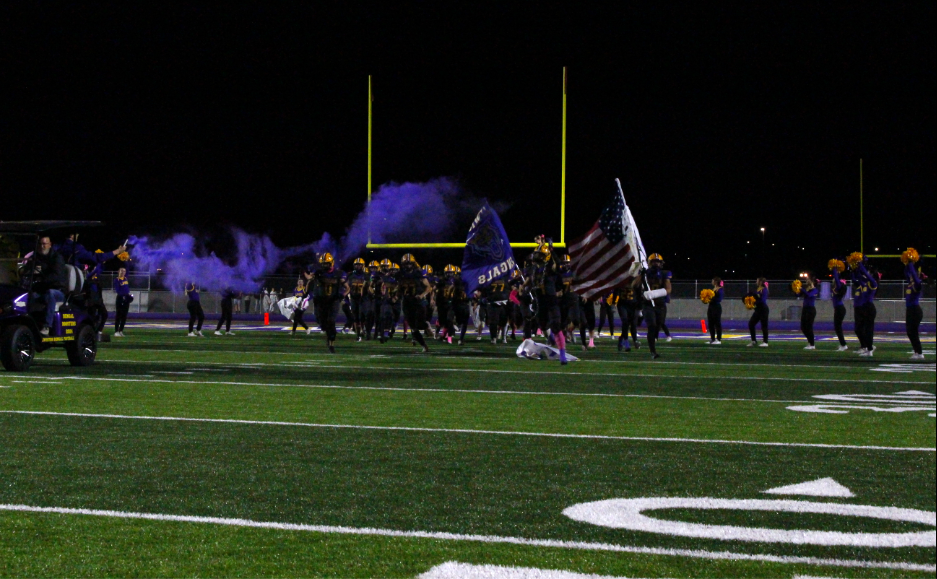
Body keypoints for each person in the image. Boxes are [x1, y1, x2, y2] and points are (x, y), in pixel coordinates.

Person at [25, 236, 67, 336]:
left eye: (44, 244)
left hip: (58, 291)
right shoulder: (35, 258)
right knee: (27, 295)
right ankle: (27, 324)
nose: (42, 246)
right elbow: (27, 271)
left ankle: (46, 326)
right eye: (40, 244)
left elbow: (56, 276)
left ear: (50, 244)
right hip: (41, 290)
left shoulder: (57, 258)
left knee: (50, 293)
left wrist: (41, 279)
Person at [634, 253, 672, 359]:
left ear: (661, 263)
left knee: (659, 324)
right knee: (652, 325)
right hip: (647, 304)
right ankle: (653, 351)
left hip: (660, 303)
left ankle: (653, 338)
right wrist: (639, 275)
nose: (656, 263)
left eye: (658, 261)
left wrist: (653, 294)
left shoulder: (664, 274)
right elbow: (635, 285)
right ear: (649, 263)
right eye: (654, 261)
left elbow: (668, 289)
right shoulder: (644, 273)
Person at [313, 252, 349, 353]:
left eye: (327, 263)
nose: (325, 266)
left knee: (331, 322)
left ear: (331, 263)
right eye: (323, 264)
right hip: (321, 301)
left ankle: (331, 343)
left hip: (333, 301)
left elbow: (347, 288)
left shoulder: (338, 274)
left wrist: (342, 295)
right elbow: (309, 279)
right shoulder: (319, 273)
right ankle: (328, 337)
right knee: (323, 323)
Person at [398, 254, 431, 353]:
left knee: (419, 323)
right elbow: (399, 287)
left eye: (409, 263)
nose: (408, 265)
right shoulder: (401, 274)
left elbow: (429, 287)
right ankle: (424, 345)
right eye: (406, 263)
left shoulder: (419, 273)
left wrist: (422, 295)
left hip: (418, 301)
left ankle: (426, 325)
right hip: (407, 301)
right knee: (413, 327)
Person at [851, 258, 878, 357]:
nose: (868, 273)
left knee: (868, 330)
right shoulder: (865, 284)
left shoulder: (873, 283)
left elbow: (866, 275)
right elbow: (858, 276)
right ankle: (868, 348)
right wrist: (854, 268)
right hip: (865, 308)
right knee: (864, 329)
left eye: (870, 273)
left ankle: (870, 350)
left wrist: (861, 264)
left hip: (869, 308)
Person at [904, 256, 925, 360]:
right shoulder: (910, 283)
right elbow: (907, 272)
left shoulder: (917, 284)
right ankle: (917, 352)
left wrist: (912, 262)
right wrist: (907, 263)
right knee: (909, 332)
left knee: (913, 331)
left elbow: (912, 272)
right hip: (910, 310)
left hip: (915, 310)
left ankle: (919, 353)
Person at [793, 277, 818, 349]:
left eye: (808, 280)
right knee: (803, 327)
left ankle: (812, 344)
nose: (806, 281)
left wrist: (801, 289)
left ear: (812, 282)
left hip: (811, 310)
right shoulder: (806, 289)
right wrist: (795, 290)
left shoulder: (815, 290)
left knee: (809, 327)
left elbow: (809, 295)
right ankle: (810, 341)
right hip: (805, 309)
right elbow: (798, 295)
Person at [347, 257, 368, 341]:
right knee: (356, 317)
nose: (358, 267)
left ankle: (364, 330)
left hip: (363, 299)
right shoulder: (350, 275)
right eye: (356, 265)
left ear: (363, 266)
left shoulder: (366, 275)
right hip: (353, 298)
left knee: (362, 316)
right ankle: (358, 334)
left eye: (360, 265)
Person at [746, 277, 770, 347]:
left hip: (763, 309)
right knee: (751, 324)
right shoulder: (758, 289)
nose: (756, 282)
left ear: (760, 282)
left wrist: (754, 300)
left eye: (757, 281)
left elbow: (762, 300)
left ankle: (765, 342)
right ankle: (754, 341)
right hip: (758, 309)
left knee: (764, 326)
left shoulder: (764, 289)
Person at [830, 261, 849, 351]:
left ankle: (843, 345)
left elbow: (837, 279)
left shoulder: (839, 286)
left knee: (837, 327)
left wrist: (835, 268)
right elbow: (836, 279)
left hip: (840, 309)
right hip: (838, 309)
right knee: (837, 327)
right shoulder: (839, 286)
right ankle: (843, 344)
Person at [616, 285, 640, 352]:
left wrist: (640, 306)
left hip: (633, 305)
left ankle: (623, 339)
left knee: (633, 324)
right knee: (625, 322)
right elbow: (616, 290)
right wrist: (613, 302)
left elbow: (639, 294)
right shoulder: (622, 279)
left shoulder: (636, 281)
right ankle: (626, 342)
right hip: (622, 304)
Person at [113, 266, 132, 337]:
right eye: (122, 271)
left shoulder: (125, 278)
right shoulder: (117, 280)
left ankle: (121, 330)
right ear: (119, 272)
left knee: (124, 315)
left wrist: (127, 261)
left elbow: (128, 269)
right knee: (119, 315)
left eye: (124, 271)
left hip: (126, 297)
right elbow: (117, 290)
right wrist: (123, 295)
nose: (124, 272)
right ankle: (116, 331)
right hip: (120, 298)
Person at [707, 277, 724, 345]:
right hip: (711, 307)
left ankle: (718, 339)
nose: (712, 282)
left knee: (717, 323)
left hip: (716, 307)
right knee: (710, 323)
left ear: (716, 282)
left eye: (713, 281)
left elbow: (719, 299)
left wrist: (711, 299)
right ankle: (712, 339)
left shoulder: (720, 289)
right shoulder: (714, 288)